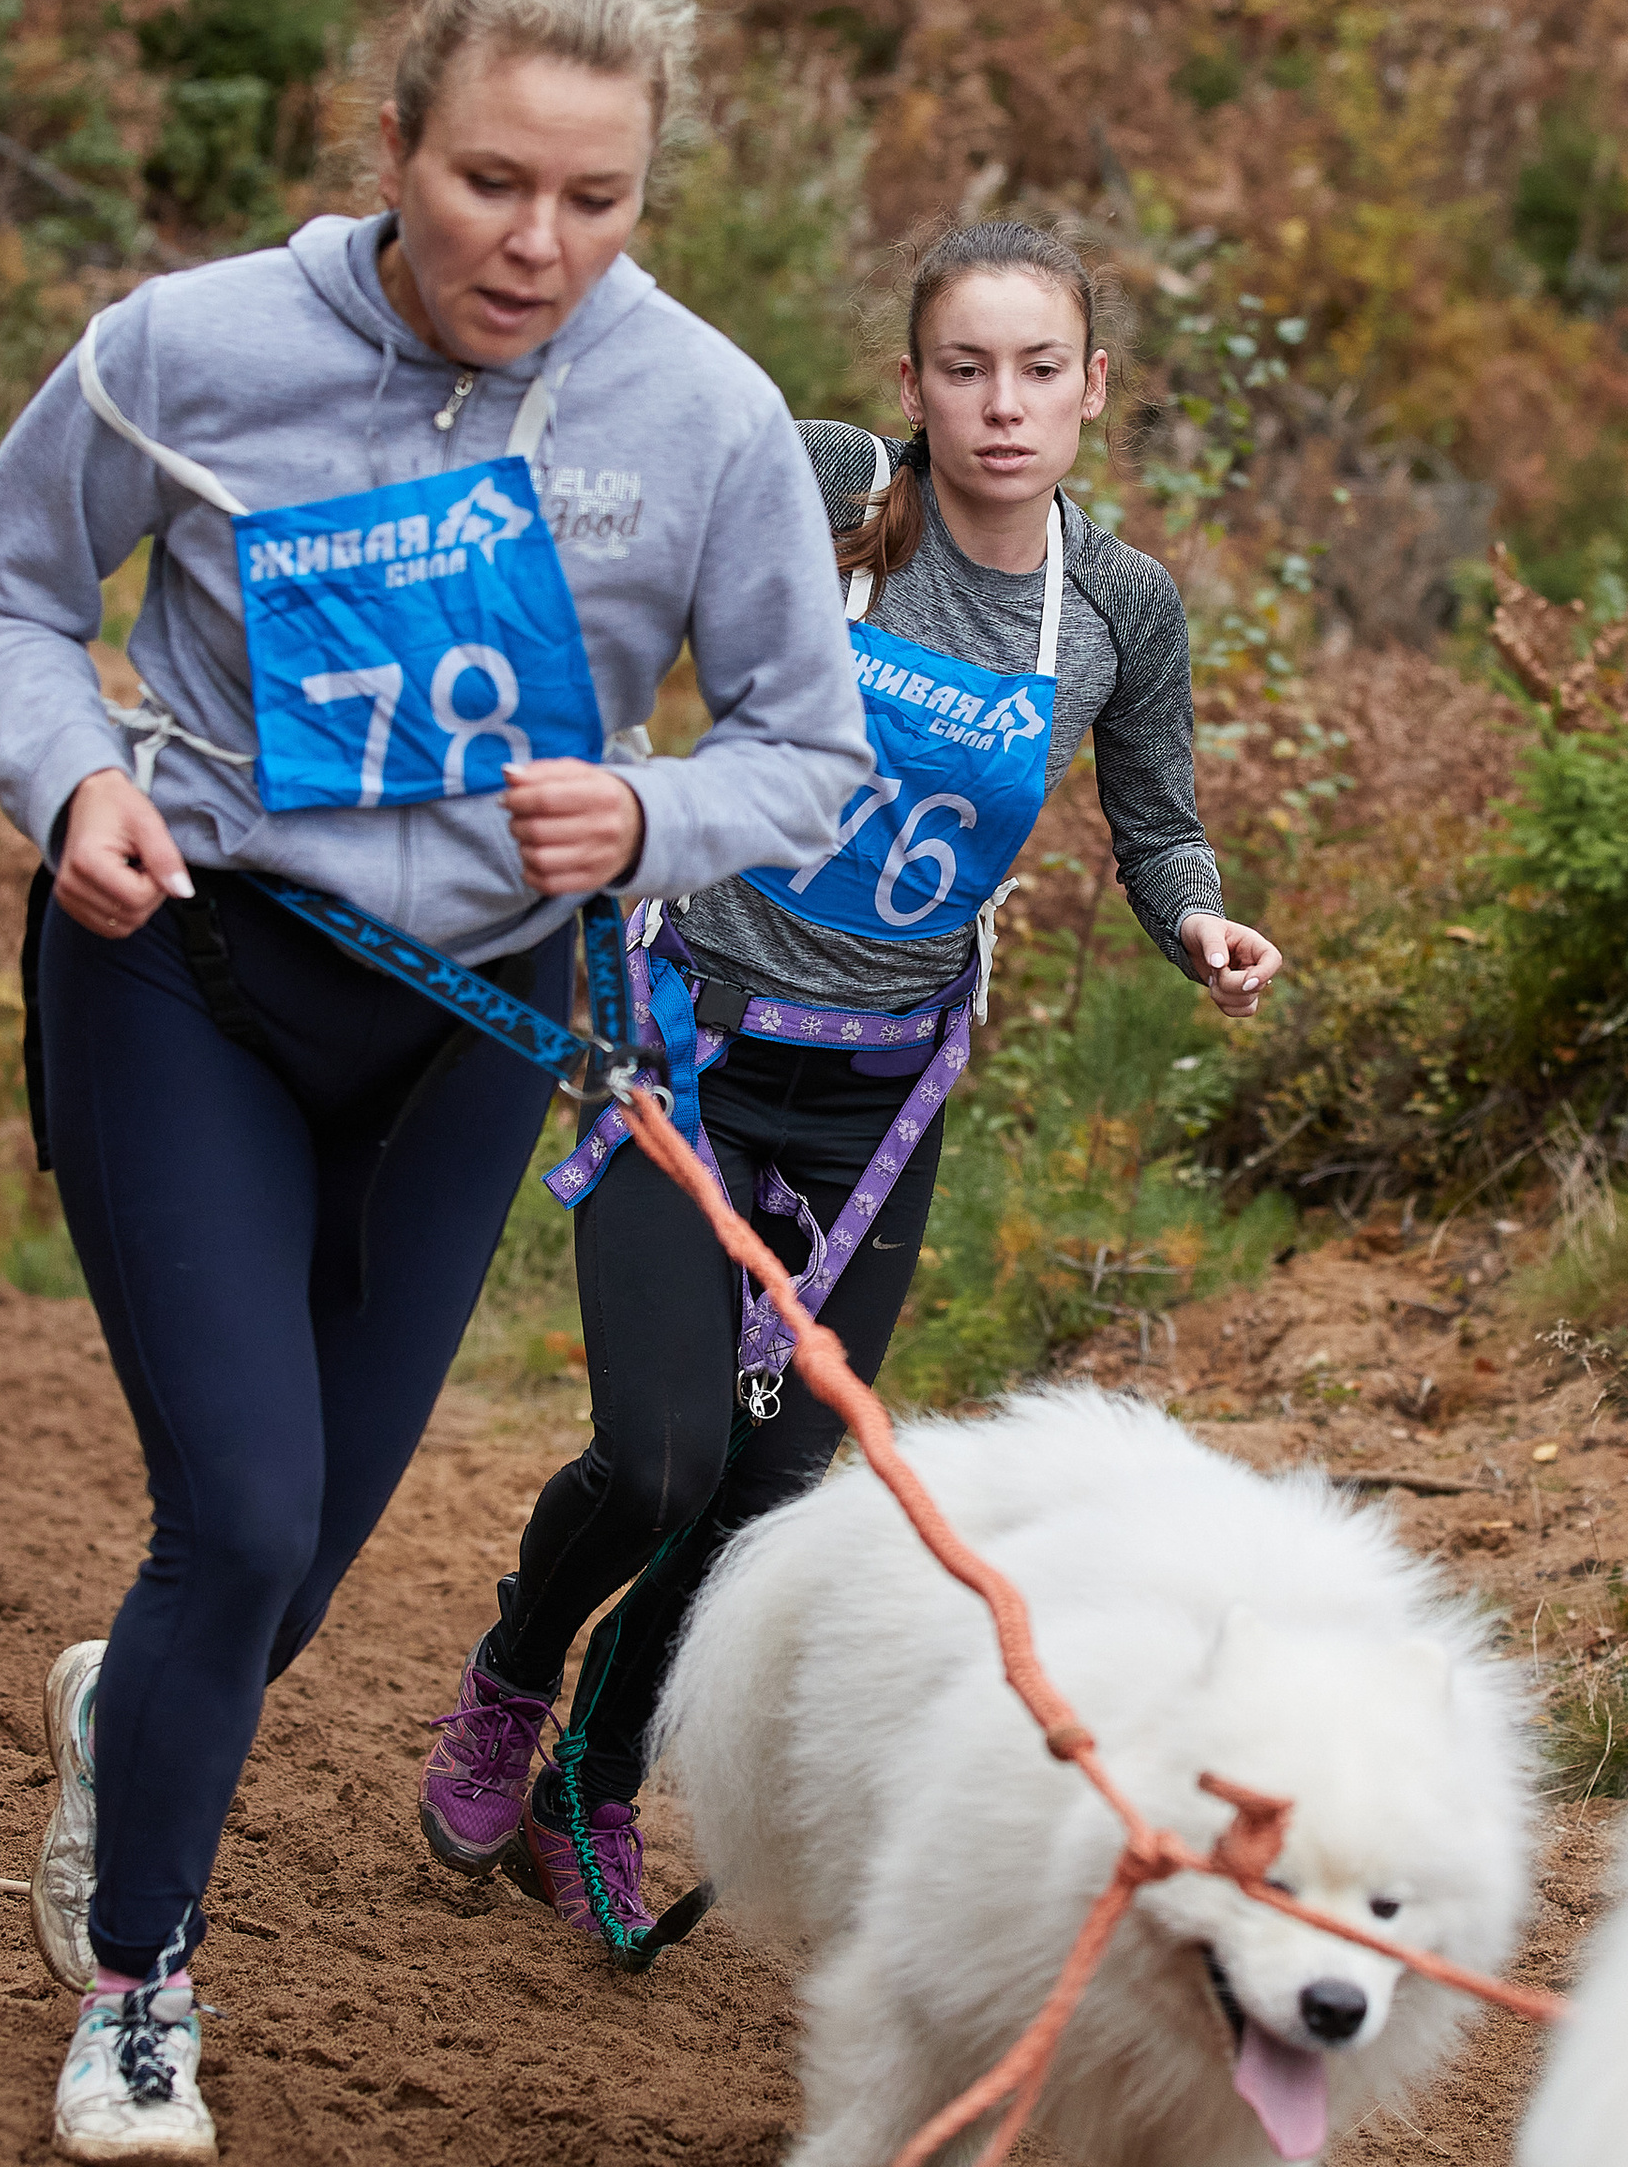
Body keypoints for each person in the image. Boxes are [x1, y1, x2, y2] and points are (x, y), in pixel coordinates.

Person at [0, 0, 870, 2161]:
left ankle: (135, 1705)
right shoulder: (191, 345)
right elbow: (3, 589)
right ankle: (139, 1981)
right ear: (392, 149)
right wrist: (68, 790)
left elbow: (808, 749)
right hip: (191, 968)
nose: (534, 248)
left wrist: (644, 819)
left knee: (295, 1558)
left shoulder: (709, 420)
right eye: (486, 186)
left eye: (595, 199)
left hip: (472, 1019)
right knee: (238, 1514)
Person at [417, 219, 1285, 1963]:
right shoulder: (830, 491)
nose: (1003, 405)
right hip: (695, 1044)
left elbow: (1155, 805)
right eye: (965, 367)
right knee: (659, 1465)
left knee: (759, 1506)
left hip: (883, 1106)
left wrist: (1197, 917)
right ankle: (518, 1669)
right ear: (912, 383)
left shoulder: (1114, 606)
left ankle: (596, 1779)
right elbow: (640, 513)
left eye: (1042, 370)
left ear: (1096, 390)